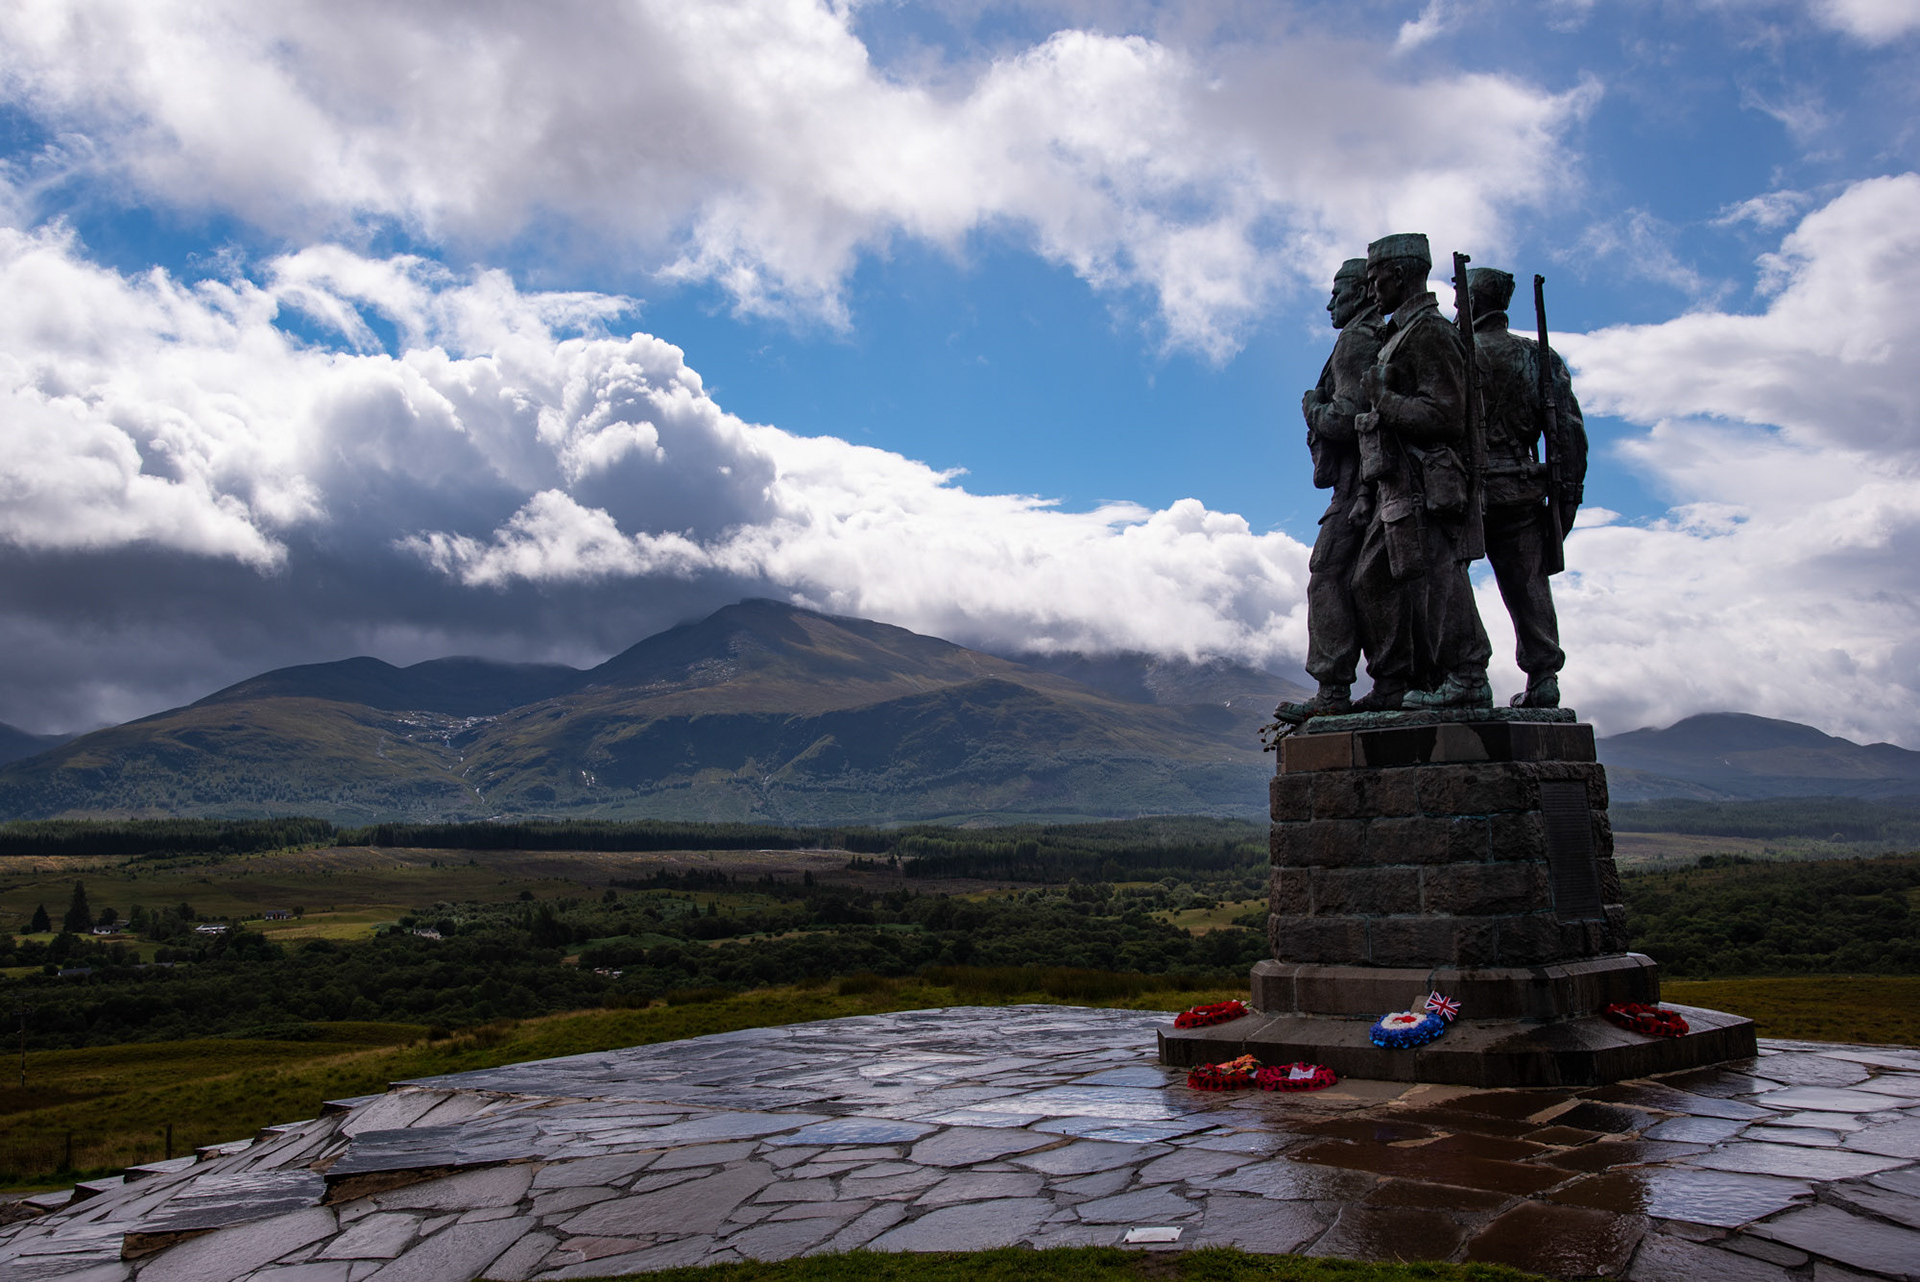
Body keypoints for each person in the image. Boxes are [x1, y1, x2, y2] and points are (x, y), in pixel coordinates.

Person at [1351, 232, 1492, 711]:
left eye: (1376, 278)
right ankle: (1394, 680)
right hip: (1395, 482)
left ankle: (1469, 674)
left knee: (1438, 577)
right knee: (1371, 579)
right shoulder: (1400, 333)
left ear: (1401, 274)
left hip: (1426, 482)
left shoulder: (1430, 332)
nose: (1372, 289)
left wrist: (1383, 400)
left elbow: (1447, 415)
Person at [1466, 267, 1587, 708]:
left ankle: (1464, 672)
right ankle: (1544, 675)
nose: (1459, 305)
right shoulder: (1539, 356)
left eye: (1463, 298)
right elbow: (1567, 431)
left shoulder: (1461, 352)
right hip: (1523, 483)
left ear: (1476, 301)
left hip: (1469, 490)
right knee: (1528, 584)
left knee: (1451, 583)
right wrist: (1567, 495)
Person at [1276, 259, 1387, 721]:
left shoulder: (1357, 340)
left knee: (1327, 574)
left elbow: (1347, 418)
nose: (1329, 303)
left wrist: (1312, 406)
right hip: (1375, 482)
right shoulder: (1380, 336)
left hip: (1359, 485)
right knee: (1373, 581)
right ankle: (1388, 680)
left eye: (1337, 291)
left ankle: (1334, 689)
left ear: (1362, 292)